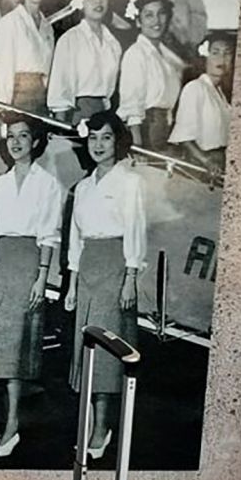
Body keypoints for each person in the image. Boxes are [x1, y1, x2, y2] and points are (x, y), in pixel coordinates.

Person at [63, 110, 146, 458]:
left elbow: (136, 231)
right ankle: (90, 422)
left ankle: (102, 428)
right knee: (87, 348)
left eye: (106, 137)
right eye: (93, 137)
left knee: (109, 349)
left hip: (115, 266)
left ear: (118, 141)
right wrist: (71, 282)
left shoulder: (130, 182)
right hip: (88, 270)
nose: (98, 145)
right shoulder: (82, 187)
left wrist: (130, 279)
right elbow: (75, 239)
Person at [0, 114, 65, 457]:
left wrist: (41, 277)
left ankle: (13, 424)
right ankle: (8, 421)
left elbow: (49, 234)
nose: (15, 142)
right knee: (1, 352)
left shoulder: (47, 184)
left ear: (35, 142)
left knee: (17, 352)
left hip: (29, 262)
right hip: (2, 263)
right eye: (11, 136)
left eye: (23, 136)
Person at [116, 0, 185, 151]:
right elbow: (132, 105)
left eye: (161, 14)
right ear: (138, 21)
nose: (157, 21)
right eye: (148, 15)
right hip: (147, 131)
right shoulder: (136, 54)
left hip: (167, 129)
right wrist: (137, 146)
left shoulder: (167, 57)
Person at [47, 0, 122, 124]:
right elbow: (59, 89)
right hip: (77, 115)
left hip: (104, 115)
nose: (98, 2)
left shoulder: (113, 43)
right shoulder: (70, 39)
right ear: (81, 2)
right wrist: (61, 129)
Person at [0, 0, 55, 114]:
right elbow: (3, 70)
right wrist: (3, 108)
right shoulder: (10, 22)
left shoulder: (47, 28)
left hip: (41, 99)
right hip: (18, 97)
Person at [168, 32, 236, 176]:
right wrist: (206, 161)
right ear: (204, 58)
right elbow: (184, 138)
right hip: (201, 167)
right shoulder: (195, 88)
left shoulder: (221, 94)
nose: (221, 59)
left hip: (220, 165)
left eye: (227, 53)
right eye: (215, 52)